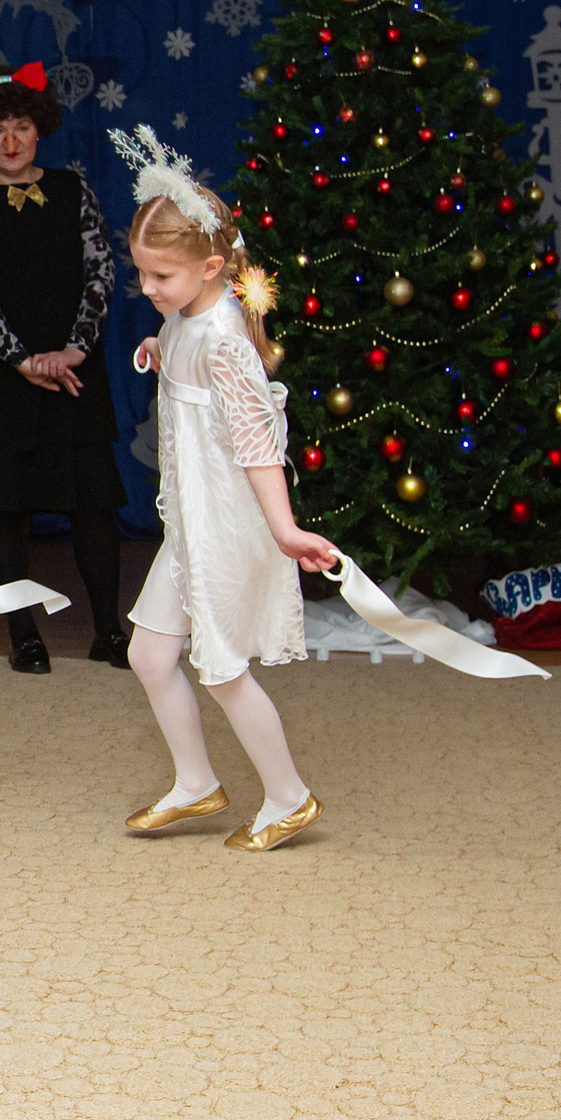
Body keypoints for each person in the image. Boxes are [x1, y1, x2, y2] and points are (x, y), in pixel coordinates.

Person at [112, 125, 331, 851]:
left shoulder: (225, 341)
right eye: (141, 274)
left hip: (228, 521)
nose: (148, 289)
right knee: (149, 654)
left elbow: (258, 444)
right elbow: (183, 358)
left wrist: (285, 528)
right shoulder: (185, 321)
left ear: (211, 267)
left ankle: (289, 797)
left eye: (161, 278)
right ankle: (196, 782)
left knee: (222, 667)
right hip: (191, 523)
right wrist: (157, 343)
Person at [0, 62, 131, 673]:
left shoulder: (74, 190)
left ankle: (109, 631)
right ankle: (25, 637)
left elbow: (102, 272)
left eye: (21, 126)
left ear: (39, 130)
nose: (11, 141)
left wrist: (72, 349)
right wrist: (21, 358)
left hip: (74, 370)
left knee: (93, 505)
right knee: (4, 507)